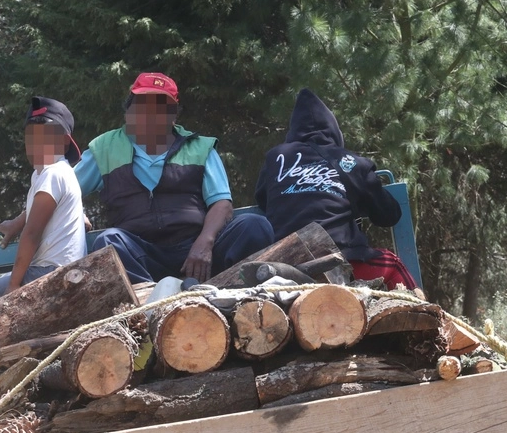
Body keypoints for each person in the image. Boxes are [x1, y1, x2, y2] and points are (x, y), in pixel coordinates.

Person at [75, 72, 273, 284]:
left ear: (173, 115)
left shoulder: (200, 147)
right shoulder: (103, 148)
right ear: (129, 110)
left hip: (197, 251)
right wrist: (79, 213)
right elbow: (63, 191)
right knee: (108, 242)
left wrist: (204, 242)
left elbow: (222, 204)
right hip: (141, 256)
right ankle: (149, 299)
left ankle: (226, 290)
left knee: (255, 225)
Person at [255, 88, 418, 290]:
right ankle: (427, 311)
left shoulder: (275, 158)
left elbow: (262, 200)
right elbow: (389, 215)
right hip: (342, 261)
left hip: (285, 266)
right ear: (333, 129)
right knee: (393, 264)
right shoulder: (349, 161)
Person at [0, 97, 87, 302]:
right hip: (56, 269)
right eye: (31, 138)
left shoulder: (53, 174)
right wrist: (17, 222)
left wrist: (13, 286)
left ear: (64, 142)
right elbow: (49, 210)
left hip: (53, 272)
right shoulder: (48, 174)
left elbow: (32, 233)